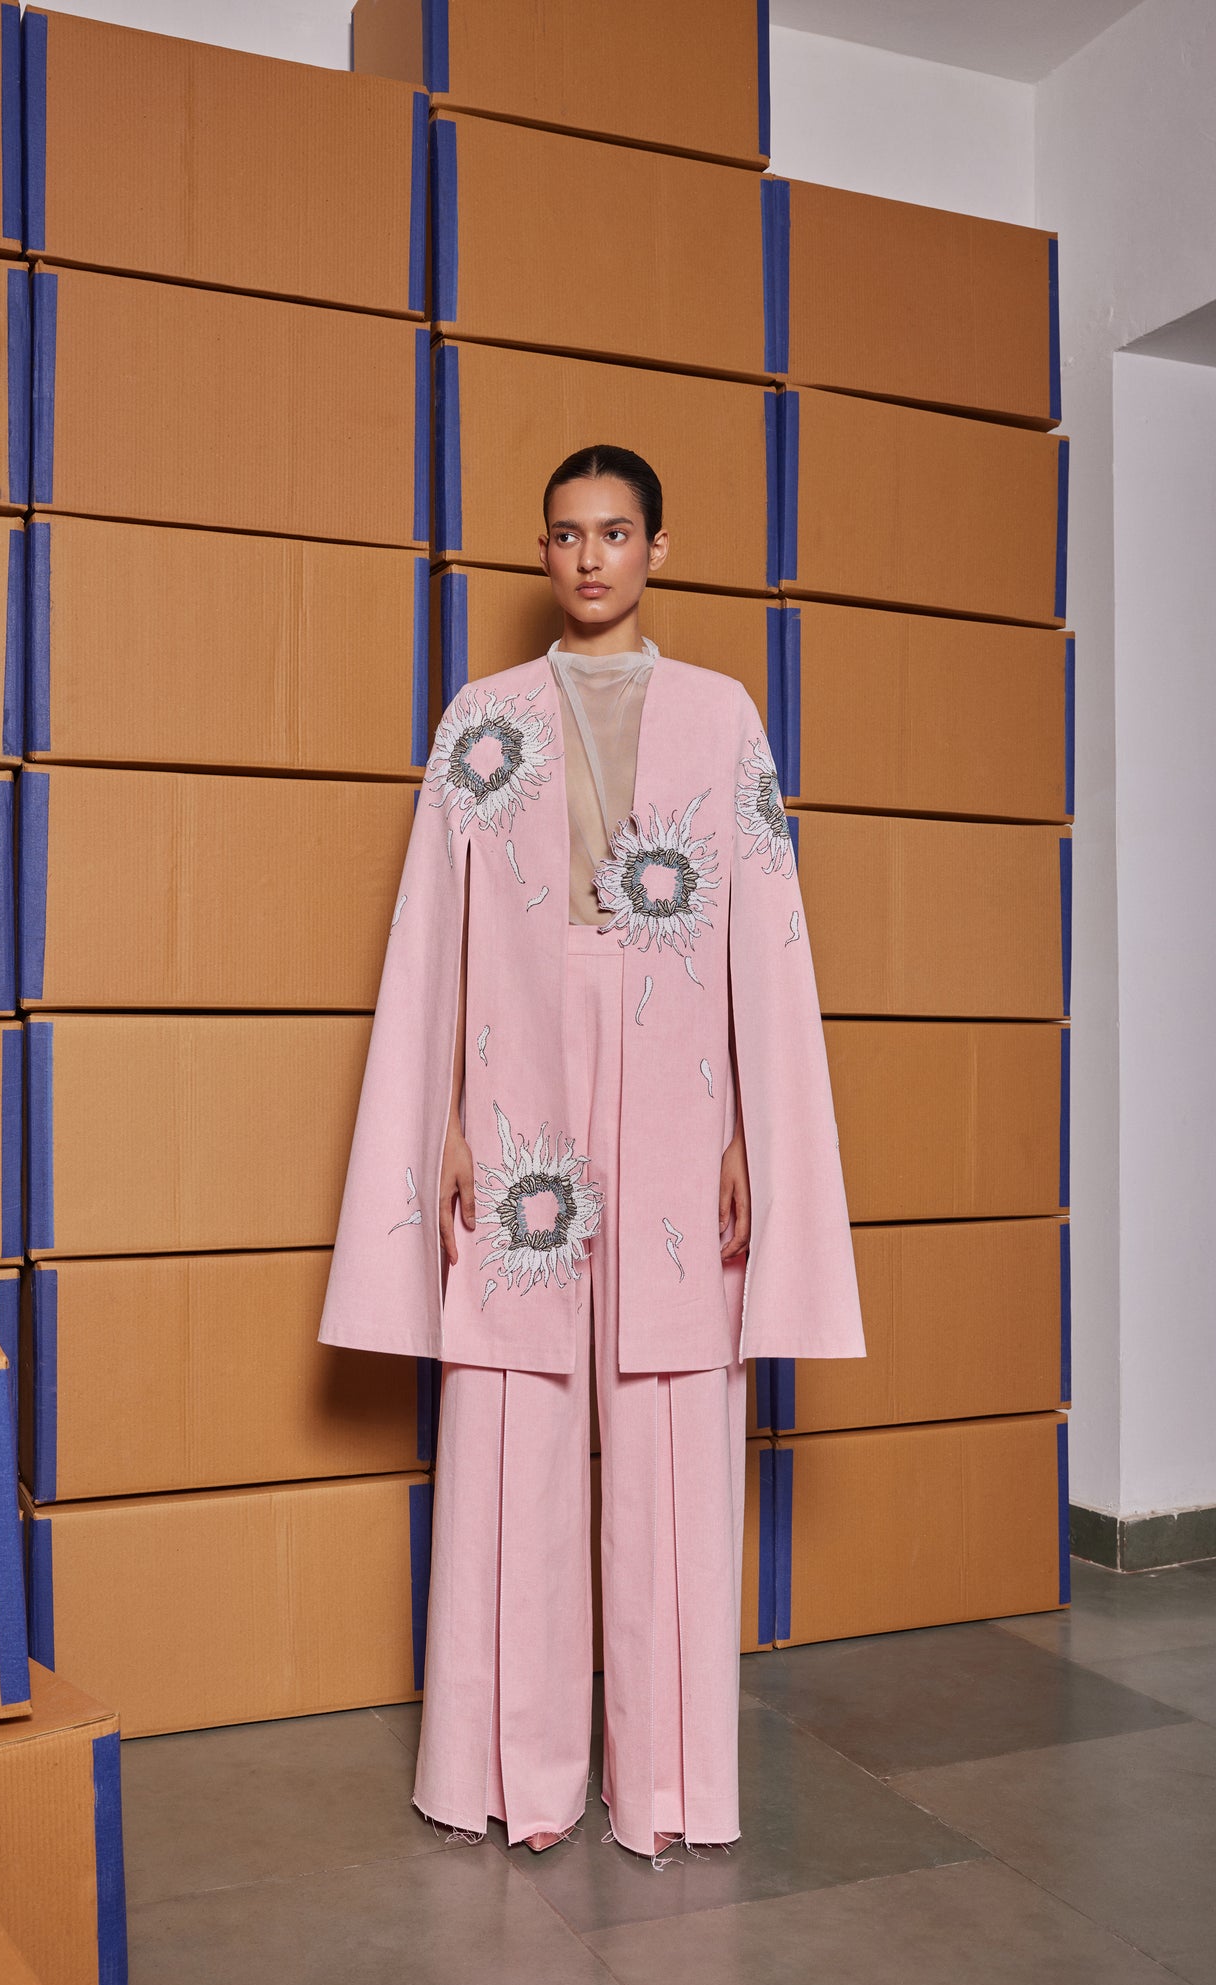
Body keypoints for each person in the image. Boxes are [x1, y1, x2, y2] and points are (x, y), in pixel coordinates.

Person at [320, 444, 863, 1860]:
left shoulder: (722, 713)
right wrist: (439, 1116)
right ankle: (509, 1775)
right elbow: (430, 930)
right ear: (544, 551)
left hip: (681, 1068)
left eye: (616, 534)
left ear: (657, 550)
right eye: (566, 535)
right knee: (512, 1400)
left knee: (677, 1398)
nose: (590, 559)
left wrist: (750, 1127)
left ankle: (672, 1785)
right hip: (522, 1073)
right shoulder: (482, 717)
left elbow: (765, 928)